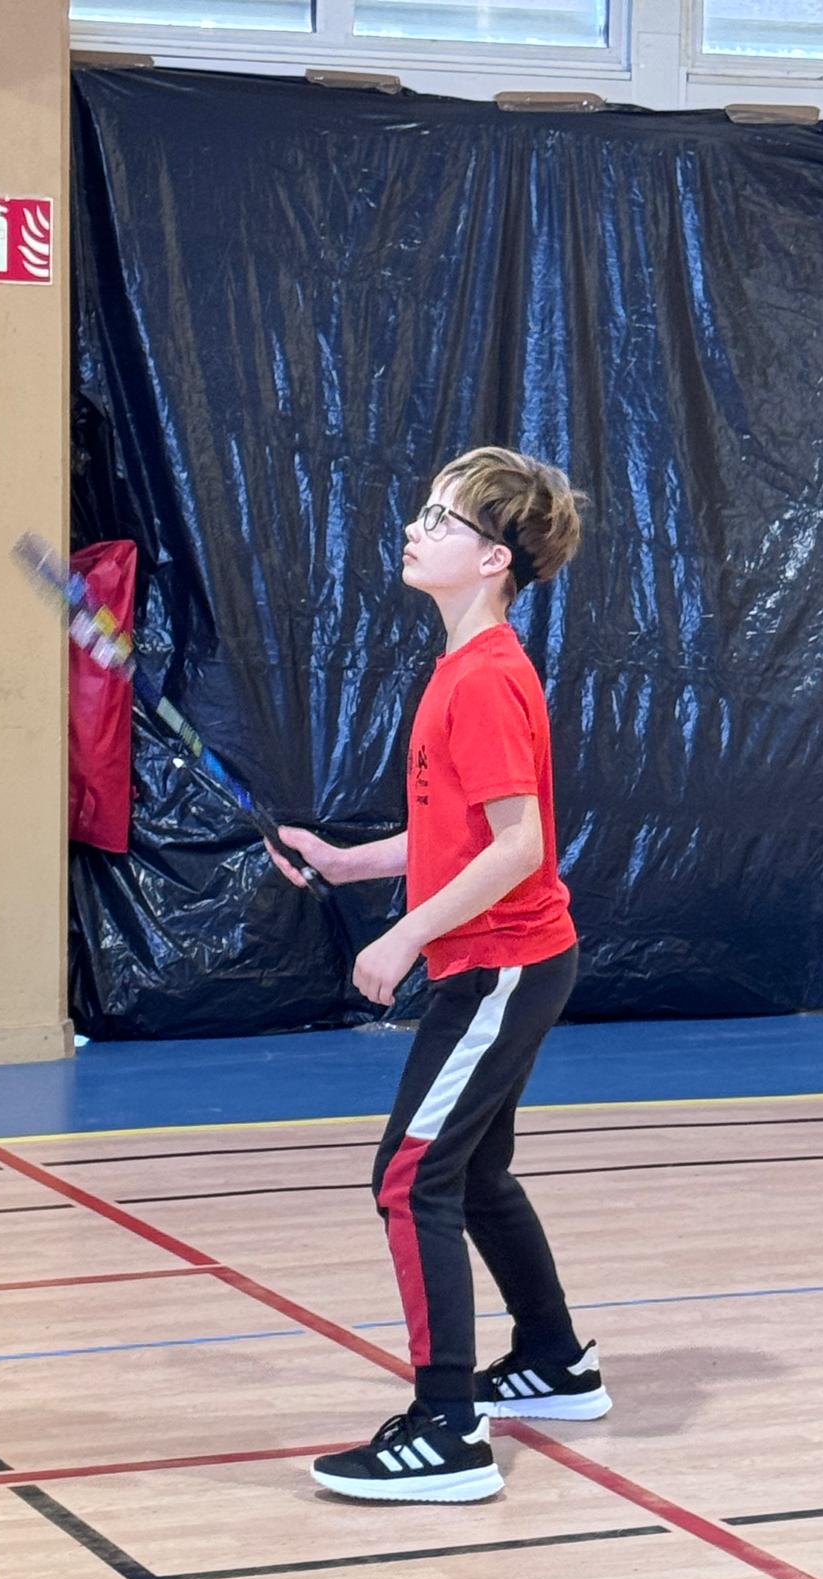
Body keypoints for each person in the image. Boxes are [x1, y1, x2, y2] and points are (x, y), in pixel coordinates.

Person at [266, 446, 611, 1504]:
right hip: (512, 961)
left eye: (442, 519)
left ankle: (449, 1429)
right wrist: (344, 863)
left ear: (494, 559)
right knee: (475, 1173)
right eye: (422, 511)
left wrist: (403, 936)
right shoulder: (464, 667)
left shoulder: (488, 678)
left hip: (502, 966)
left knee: (411, 1180)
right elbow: (454, 835)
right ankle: (552, 1360)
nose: (415, 529)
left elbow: (520, 846)